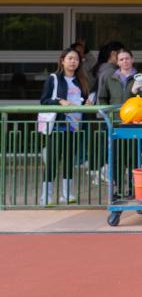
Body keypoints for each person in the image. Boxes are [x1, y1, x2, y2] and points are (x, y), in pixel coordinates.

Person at [99, 48, 142, 199]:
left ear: (132, 59)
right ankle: (117, 190)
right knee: (116, 158)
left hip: (135, 123)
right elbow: (102, 98)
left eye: (127, 58)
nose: (125, 62)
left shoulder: (140, 77)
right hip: (116, 124)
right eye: (121, 59)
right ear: (117, 62)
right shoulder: (110, 77)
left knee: (132, 157)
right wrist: (109, 116)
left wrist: (138, 91)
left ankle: (132, 189)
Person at [38, 48, 85, 206]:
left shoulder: (81, 81)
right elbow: (44, 100)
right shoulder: (54, 78)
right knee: (52, 160)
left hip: (73, 125)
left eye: (76, 59)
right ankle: (46, 196)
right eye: (70, 58)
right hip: (57, 125)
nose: (73, 61)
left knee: (69, 160)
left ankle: (67, 194)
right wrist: (59, 102)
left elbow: (82, 100)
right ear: (62, 60)